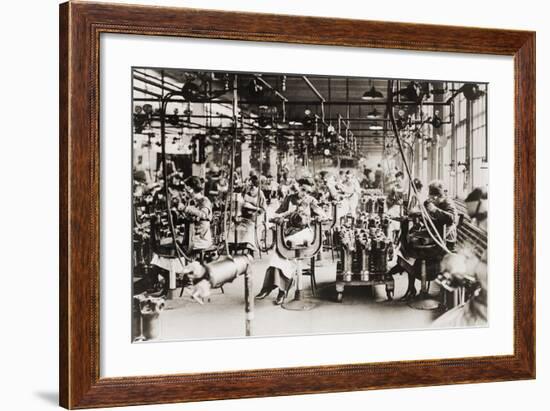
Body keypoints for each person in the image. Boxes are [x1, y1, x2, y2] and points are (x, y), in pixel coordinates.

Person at [256, 178, 327, 305]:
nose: (305, 193)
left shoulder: (311, 201)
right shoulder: (289, 198)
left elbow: (324, 215)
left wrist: (318, 216)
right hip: (290, 232)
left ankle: (281, 291)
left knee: (286, 251)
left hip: (304, 233)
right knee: (279, 253)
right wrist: (281, 216)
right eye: (303, 189)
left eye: (308, 191)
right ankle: (271, 288)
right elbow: (278, 213)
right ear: (298, 187)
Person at [228, 174, 267, 255]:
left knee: (250, 229)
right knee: (234, 227)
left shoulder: (260, 194)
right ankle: (235, 244)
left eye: (252, 186)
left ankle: (250, 246)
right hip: (245, 217)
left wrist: (252, 207)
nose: (250, 188)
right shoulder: (246, 192)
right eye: (249, 185)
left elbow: (263, 210)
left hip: (256, 217)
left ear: (256, 186)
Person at [424, 180, 458, 251]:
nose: (431, 200)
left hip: (447, 242)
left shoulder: (448, 203)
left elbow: (451, 218)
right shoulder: (437, 202)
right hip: (438, 234)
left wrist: (434, 210)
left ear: (436, 197)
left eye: (432, 198)